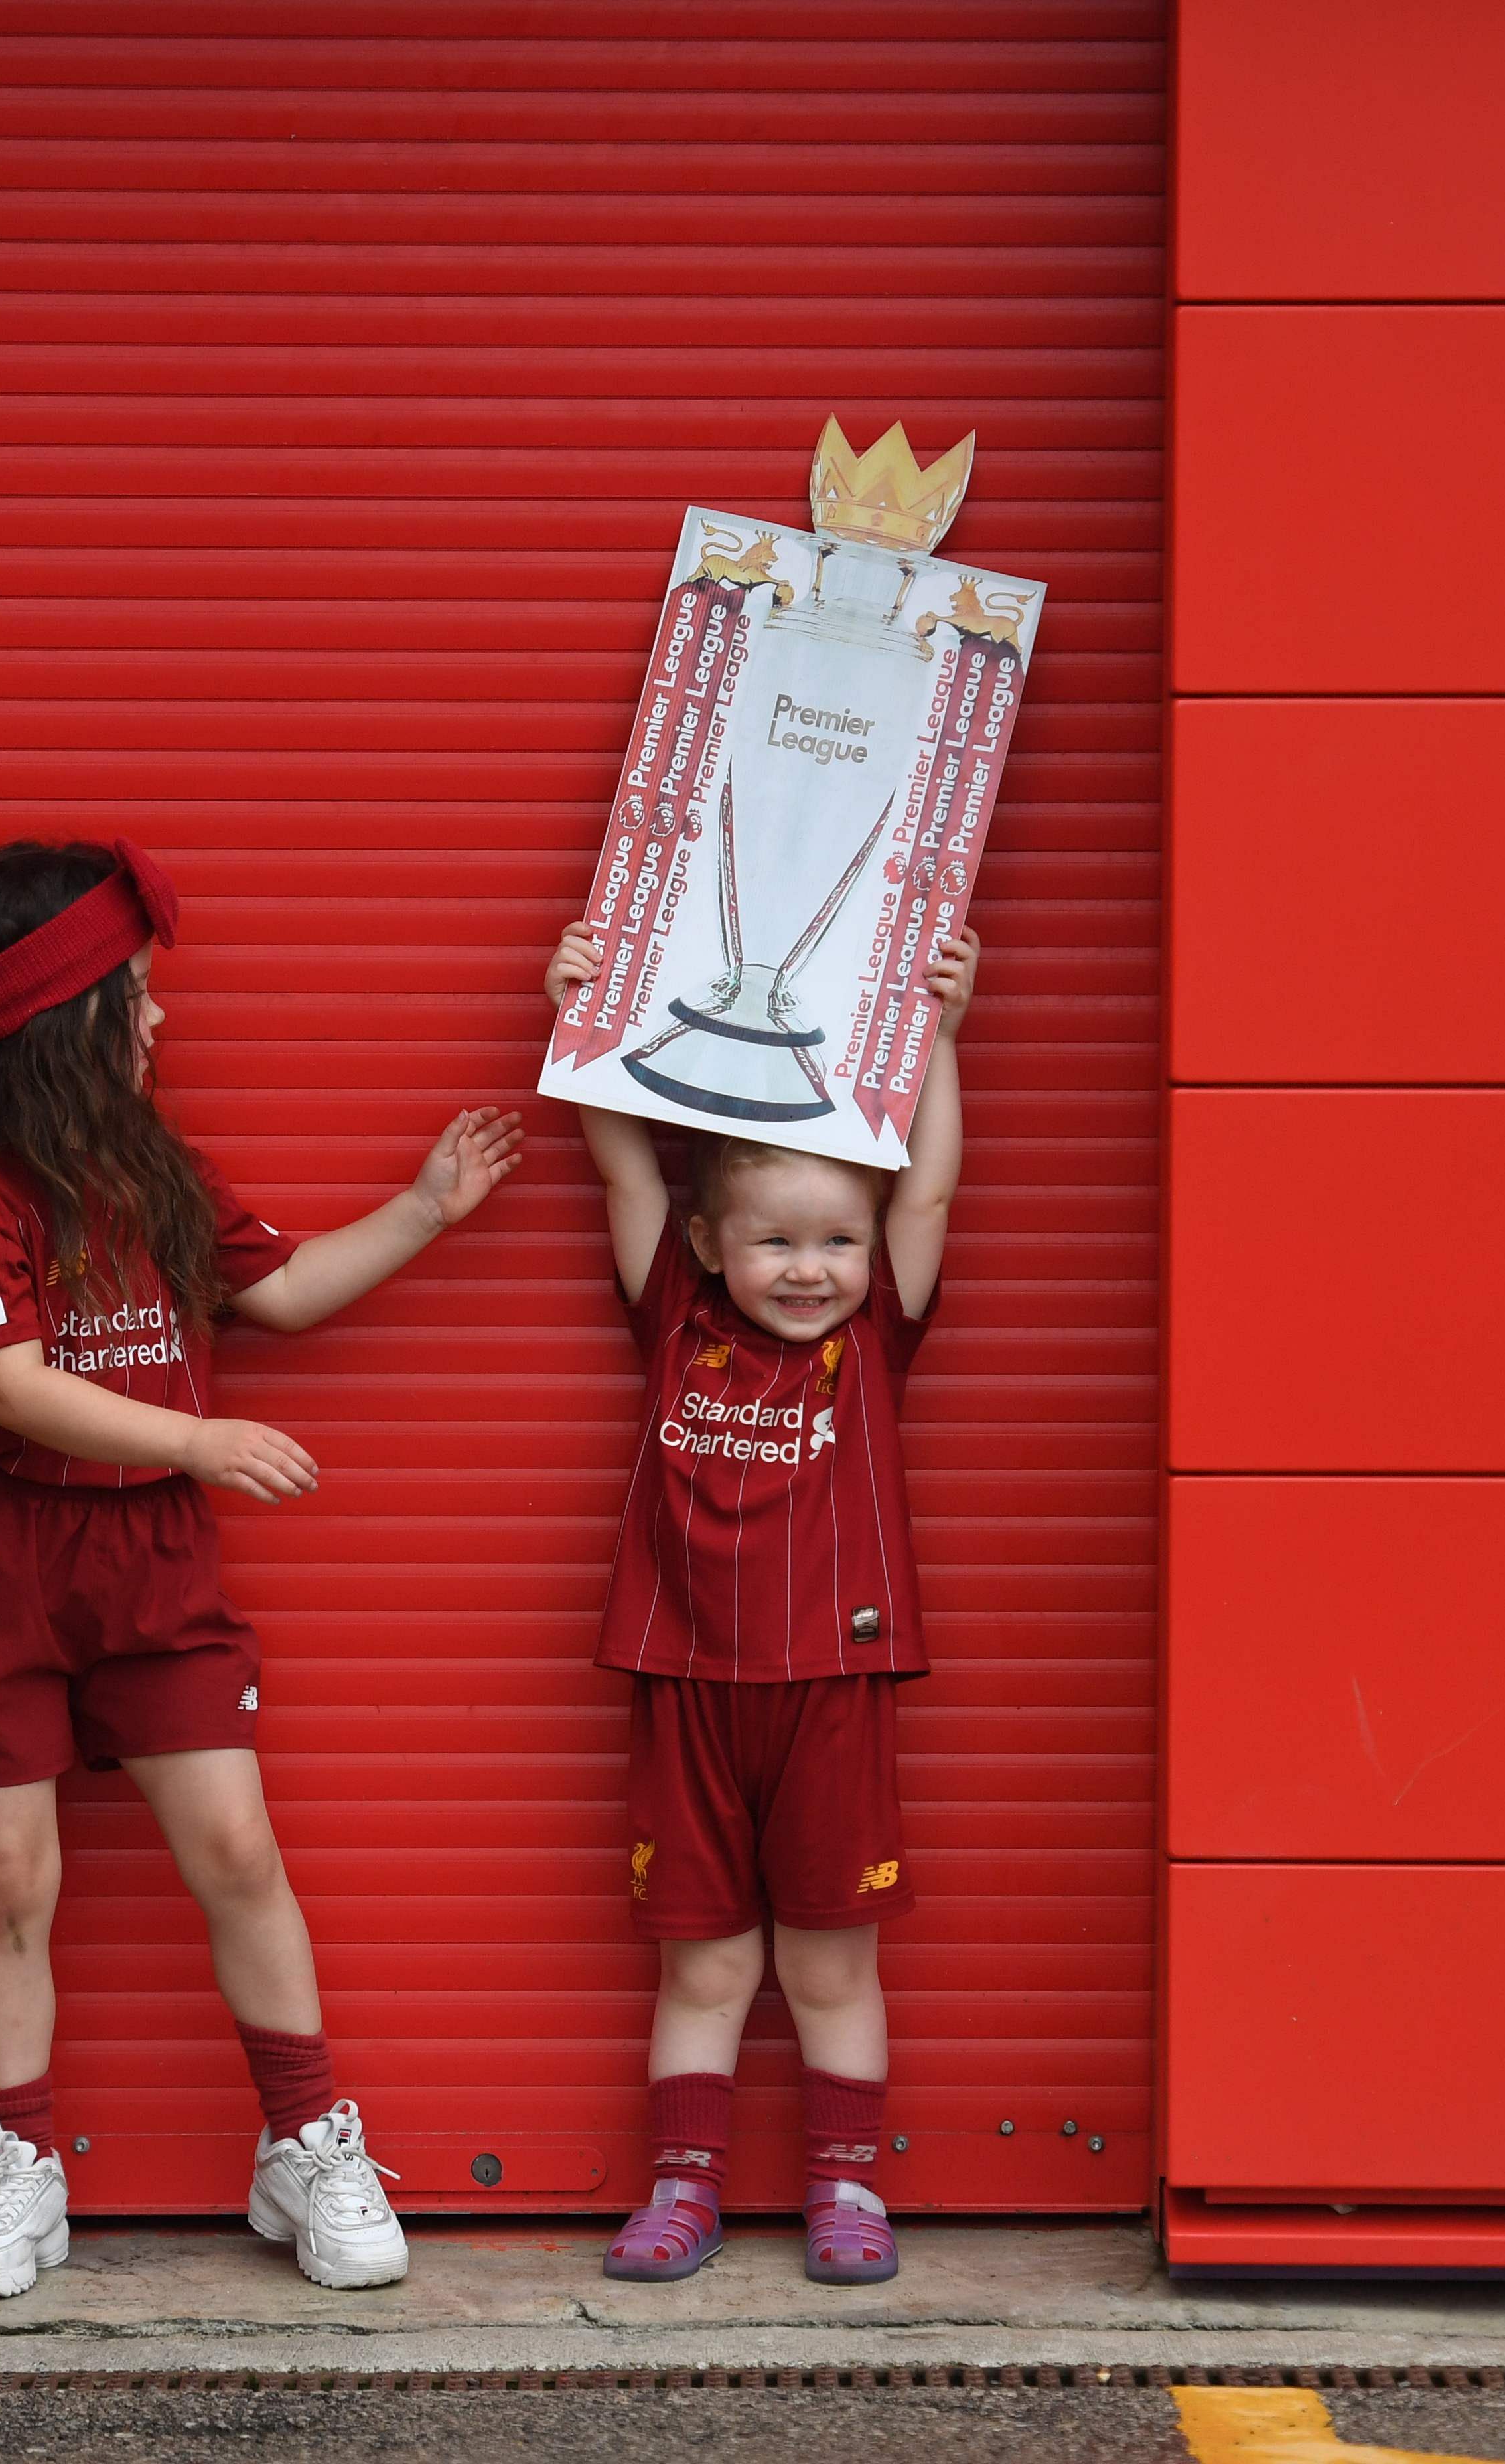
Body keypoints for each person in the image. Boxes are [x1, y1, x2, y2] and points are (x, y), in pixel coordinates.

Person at [0, 838, 522, 2299]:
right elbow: (15, 1387)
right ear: (60, 1014)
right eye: (137, 994)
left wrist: (424, 1210)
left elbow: (276, 1288)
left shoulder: (156, 1170)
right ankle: (18, 2160)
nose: (161, 1020)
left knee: (236, 1849)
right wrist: (198, 1439)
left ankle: (305, 2141)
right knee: (6, 1870)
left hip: (148, 1564)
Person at [540, 915, 981, 2287]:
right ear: (706, 1240)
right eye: (778, 1239)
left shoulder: (878, 1332)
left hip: (836, 1689)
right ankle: (686, 2188)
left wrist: (943, 1034)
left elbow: (931, 1195)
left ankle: (848, 2190)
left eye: (837, 1237)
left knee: (834, 1966)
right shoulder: (671, 1306)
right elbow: (618, 1148)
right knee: (710, 1967)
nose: (810, 1266)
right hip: (686, 1686)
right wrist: (583, 1011)